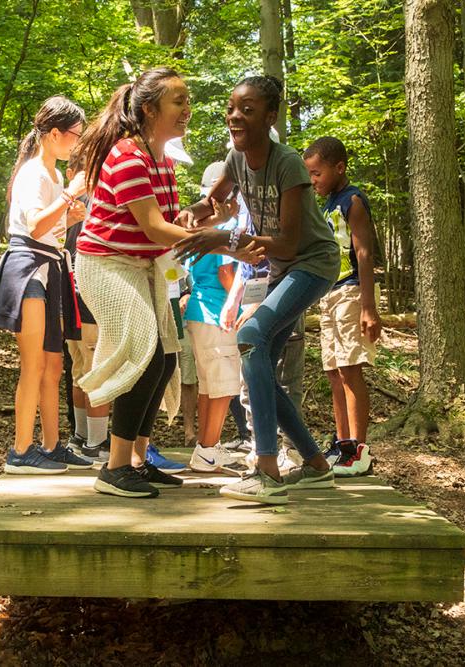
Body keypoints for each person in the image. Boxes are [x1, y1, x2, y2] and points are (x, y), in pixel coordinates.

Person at [175, 75, 339, 504]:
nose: (235, 117)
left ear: (270, 116)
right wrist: (191, 215)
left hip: (312, 263)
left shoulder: (287, 164)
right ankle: (316, 464)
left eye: (247, 110)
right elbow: (213, 204)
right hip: (285, 267)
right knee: (260, 356)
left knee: (249, 338)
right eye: (232, 109)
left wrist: (222, 241)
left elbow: (286, 241)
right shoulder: (235, 158)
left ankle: (266, 468)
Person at [73, 68, 219, 498]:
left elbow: (169, 223)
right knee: (145, 354)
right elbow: (155, 228)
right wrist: (224, 243)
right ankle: (114, 468)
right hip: (106, 265)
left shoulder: (163, 160)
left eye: (187, 100)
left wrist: (211, 215)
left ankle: (137, 459)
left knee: (167, 358)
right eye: (179, 101)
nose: (187, 109)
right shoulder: (127, 156)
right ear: (149, 108)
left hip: (142, 265)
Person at [0, 96, 95, 474]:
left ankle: (50, 444)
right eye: (74, 136)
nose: (76, 144)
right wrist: (70, 197)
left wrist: (69, 211)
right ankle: (20, 450)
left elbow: (52, 228)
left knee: (54, 364)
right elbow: (33, 227)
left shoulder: (55, 175)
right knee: (32, 364)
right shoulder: (33, 173)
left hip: (51, 267)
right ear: (53, 134)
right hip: (28, 269)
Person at [303, 136, 381, 476]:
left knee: (350, 369)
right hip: (329, 293)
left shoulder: (353, 201)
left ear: (339, 168)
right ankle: (342, 443)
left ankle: (359, 449)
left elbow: (363, 253)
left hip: (352, 293)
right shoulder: (326, 204)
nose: (313, 181)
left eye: (317, 173)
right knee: (333, 371)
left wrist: (368, 307)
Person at [184, 162, 248, 476]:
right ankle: (207, 451)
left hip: (199, 312)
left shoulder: (200, 227)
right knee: (223, 386)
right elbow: (226, 272)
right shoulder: (225, 226)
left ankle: (207, 448)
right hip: (217, 312)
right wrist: (242, 303)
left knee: (210, 386)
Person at [62, 149, 111, 464]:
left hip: (70, 298)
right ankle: (96, 442)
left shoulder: (66, 206)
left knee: (81, 370)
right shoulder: (92, 204)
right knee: (96, 372)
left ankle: (82, 437)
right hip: (89, 298)